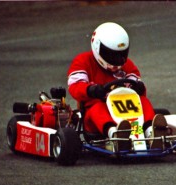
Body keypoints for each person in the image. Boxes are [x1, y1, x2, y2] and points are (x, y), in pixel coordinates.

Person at [67, 22, 167, 151]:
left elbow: (137, 85)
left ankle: (151, 133)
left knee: (143, 101)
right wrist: (92, 90)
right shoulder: (83, 61)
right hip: (95, 118)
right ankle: (115, 135)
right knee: (97, 108)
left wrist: (139, 88)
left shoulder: (127, 65)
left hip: (128, 114)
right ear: (98, 47)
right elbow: (75, 87)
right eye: (111, 54)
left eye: (121, 54)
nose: (117, 59)